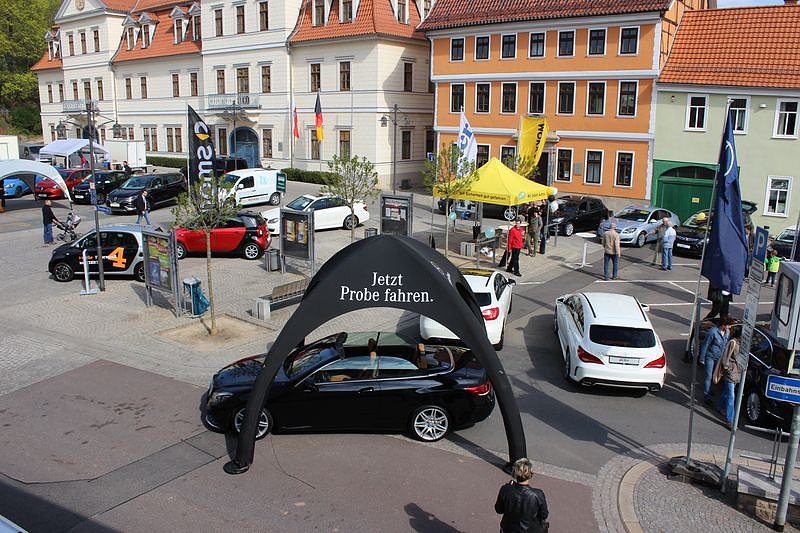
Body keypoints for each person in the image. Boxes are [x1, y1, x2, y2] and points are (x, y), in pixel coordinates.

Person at [495, 457, 549, 533]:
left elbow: (499, 510)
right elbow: (544, 515)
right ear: (530, 474)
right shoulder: (538, 494)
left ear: (515, 473)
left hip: (508, 529)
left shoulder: (505, 489)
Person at [699, 315, 733, 405]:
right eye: (729, 325)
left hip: (720, 357)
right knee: (708, 376)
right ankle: (706, 395)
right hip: (710, 356)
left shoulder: (727, 332)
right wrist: (702, 358)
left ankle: (710, 389)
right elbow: (705, 345)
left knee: (715, 375)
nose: (730, 327)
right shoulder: (712, 332)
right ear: (723, 325)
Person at [717, 332, 742, 429]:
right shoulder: (733, 343)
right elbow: (724, 359)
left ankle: (719, 406)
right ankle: (730, 421)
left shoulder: (744, 345)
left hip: (737, 373)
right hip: (731, 373)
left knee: (727, 392)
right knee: (731, 396)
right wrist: (728, 368)